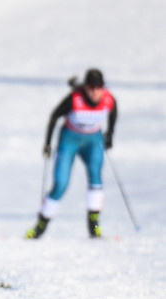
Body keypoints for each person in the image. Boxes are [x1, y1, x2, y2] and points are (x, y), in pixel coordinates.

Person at [27, 68, 118, 239]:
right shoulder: (74, 99)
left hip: (93, 140)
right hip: (70, 138)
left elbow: (113, 114)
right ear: (85, 87)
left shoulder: (109, 99)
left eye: (98, 88)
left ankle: (94, 225)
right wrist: (47, 143)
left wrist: (110, 134)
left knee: (96, 177)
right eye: (91, 87)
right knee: (61, 183)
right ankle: (41, 224)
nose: (94, 92)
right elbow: (54, 116)